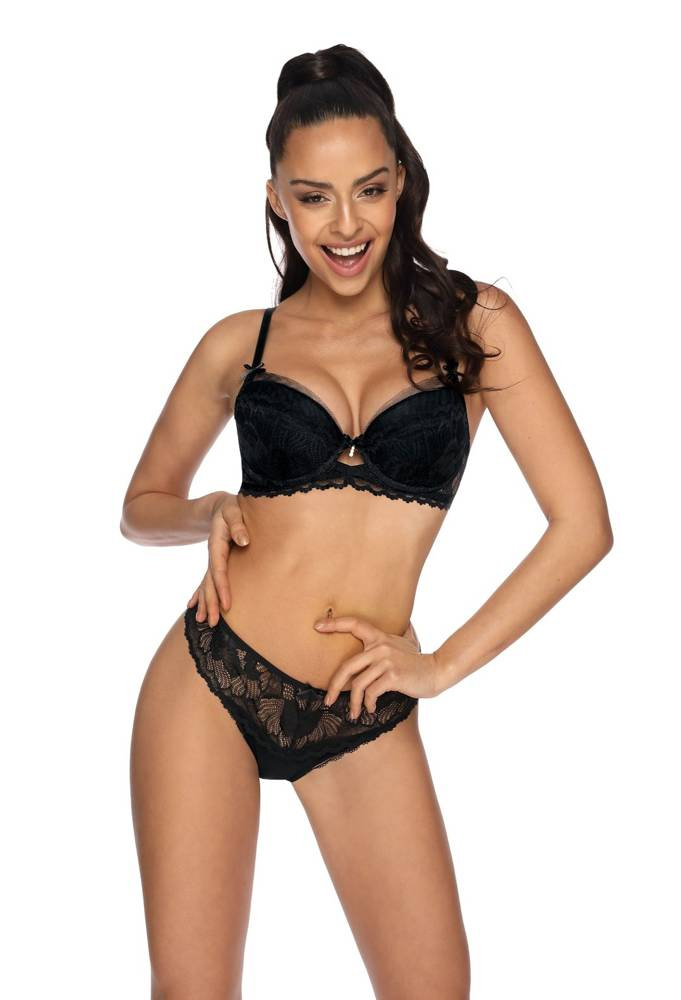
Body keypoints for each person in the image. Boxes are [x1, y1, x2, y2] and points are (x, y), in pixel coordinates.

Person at [121, 43, 613, 1000]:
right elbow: (141, 508)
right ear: (276, 199)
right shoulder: (241, 343)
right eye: (313, 198)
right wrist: (206, 509)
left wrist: (442, 665)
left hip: (361, 702)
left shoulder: (477, 324)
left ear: (401, 182)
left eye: (369, 191)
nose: (345, 225)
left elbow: (581, 525)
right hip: (211, 679)